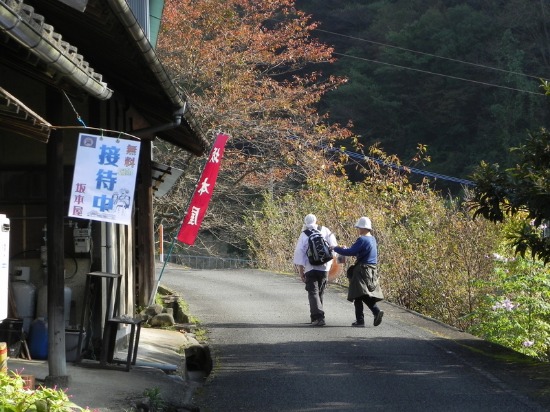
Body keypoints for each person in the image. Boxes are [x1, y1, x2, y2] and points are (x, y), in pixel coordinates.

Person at [332, 216, 384, 327]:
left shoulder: (362, 239)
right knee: (359, 295)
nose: (358, 229)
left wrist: (336, 248)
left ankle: (373, 312)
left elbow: (351, 251)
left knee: (360, 294)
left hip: (362, 269)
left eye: (359, 227)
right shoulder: (373, 239)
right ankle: (361, 319)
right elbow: (359, 251)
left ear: (364, 228)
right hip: (372, 269)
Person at [293, 214, 337, 326]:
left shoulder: (304, 234)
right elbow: (334, 247)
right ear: (316, 220)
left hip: (310, 267)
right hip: (324, 267)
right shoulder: (325, 230)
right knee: (320, 292)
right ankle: (316, 317)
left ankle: (318, 317)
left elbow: (299, 254)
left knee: (313, 292)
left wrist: (301, 272)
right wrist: (330, 263)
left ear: (305, 223)